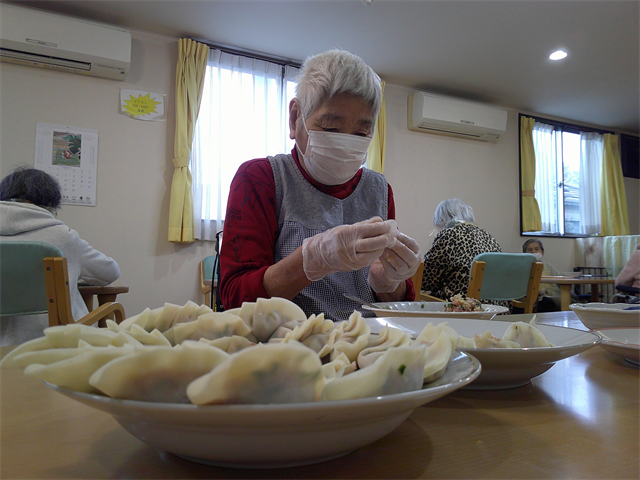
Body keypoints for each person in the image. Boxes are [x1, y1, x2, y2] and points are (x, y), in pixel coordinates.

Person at [218, 49, 420, 321]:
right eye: (330, 128)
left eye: (361, 133)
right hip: (289, 346)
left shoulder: (378, 190)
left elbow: (399, 305)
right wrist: (312, 260)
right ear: (295, 118)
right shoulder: (260, 178)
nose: (346, 143)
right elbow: (235, 299)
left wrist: (387, 283)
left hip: (367, 343)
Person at [0, 167, 121, 345]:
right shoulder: (63, 236)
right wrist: (73, 270)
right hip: (60, 342)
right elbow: (111, 272)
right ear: (49, 203)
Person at [421, 198, 506, 306]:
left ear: (441, 218)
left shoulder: (449, 234)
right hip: (495, 308)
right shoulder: (488, 236)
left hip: (463, 309)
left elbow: (426, 280)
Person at [522, 238, 561, 312]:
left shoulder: (548, 267)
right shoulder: (522, 267)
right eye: (530, 250)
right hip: (533, 298)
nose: (534, 252)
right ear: (525, 253)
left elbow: (559, 279)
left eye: (536, 249)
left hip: (552, 296)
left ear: (542, 252)